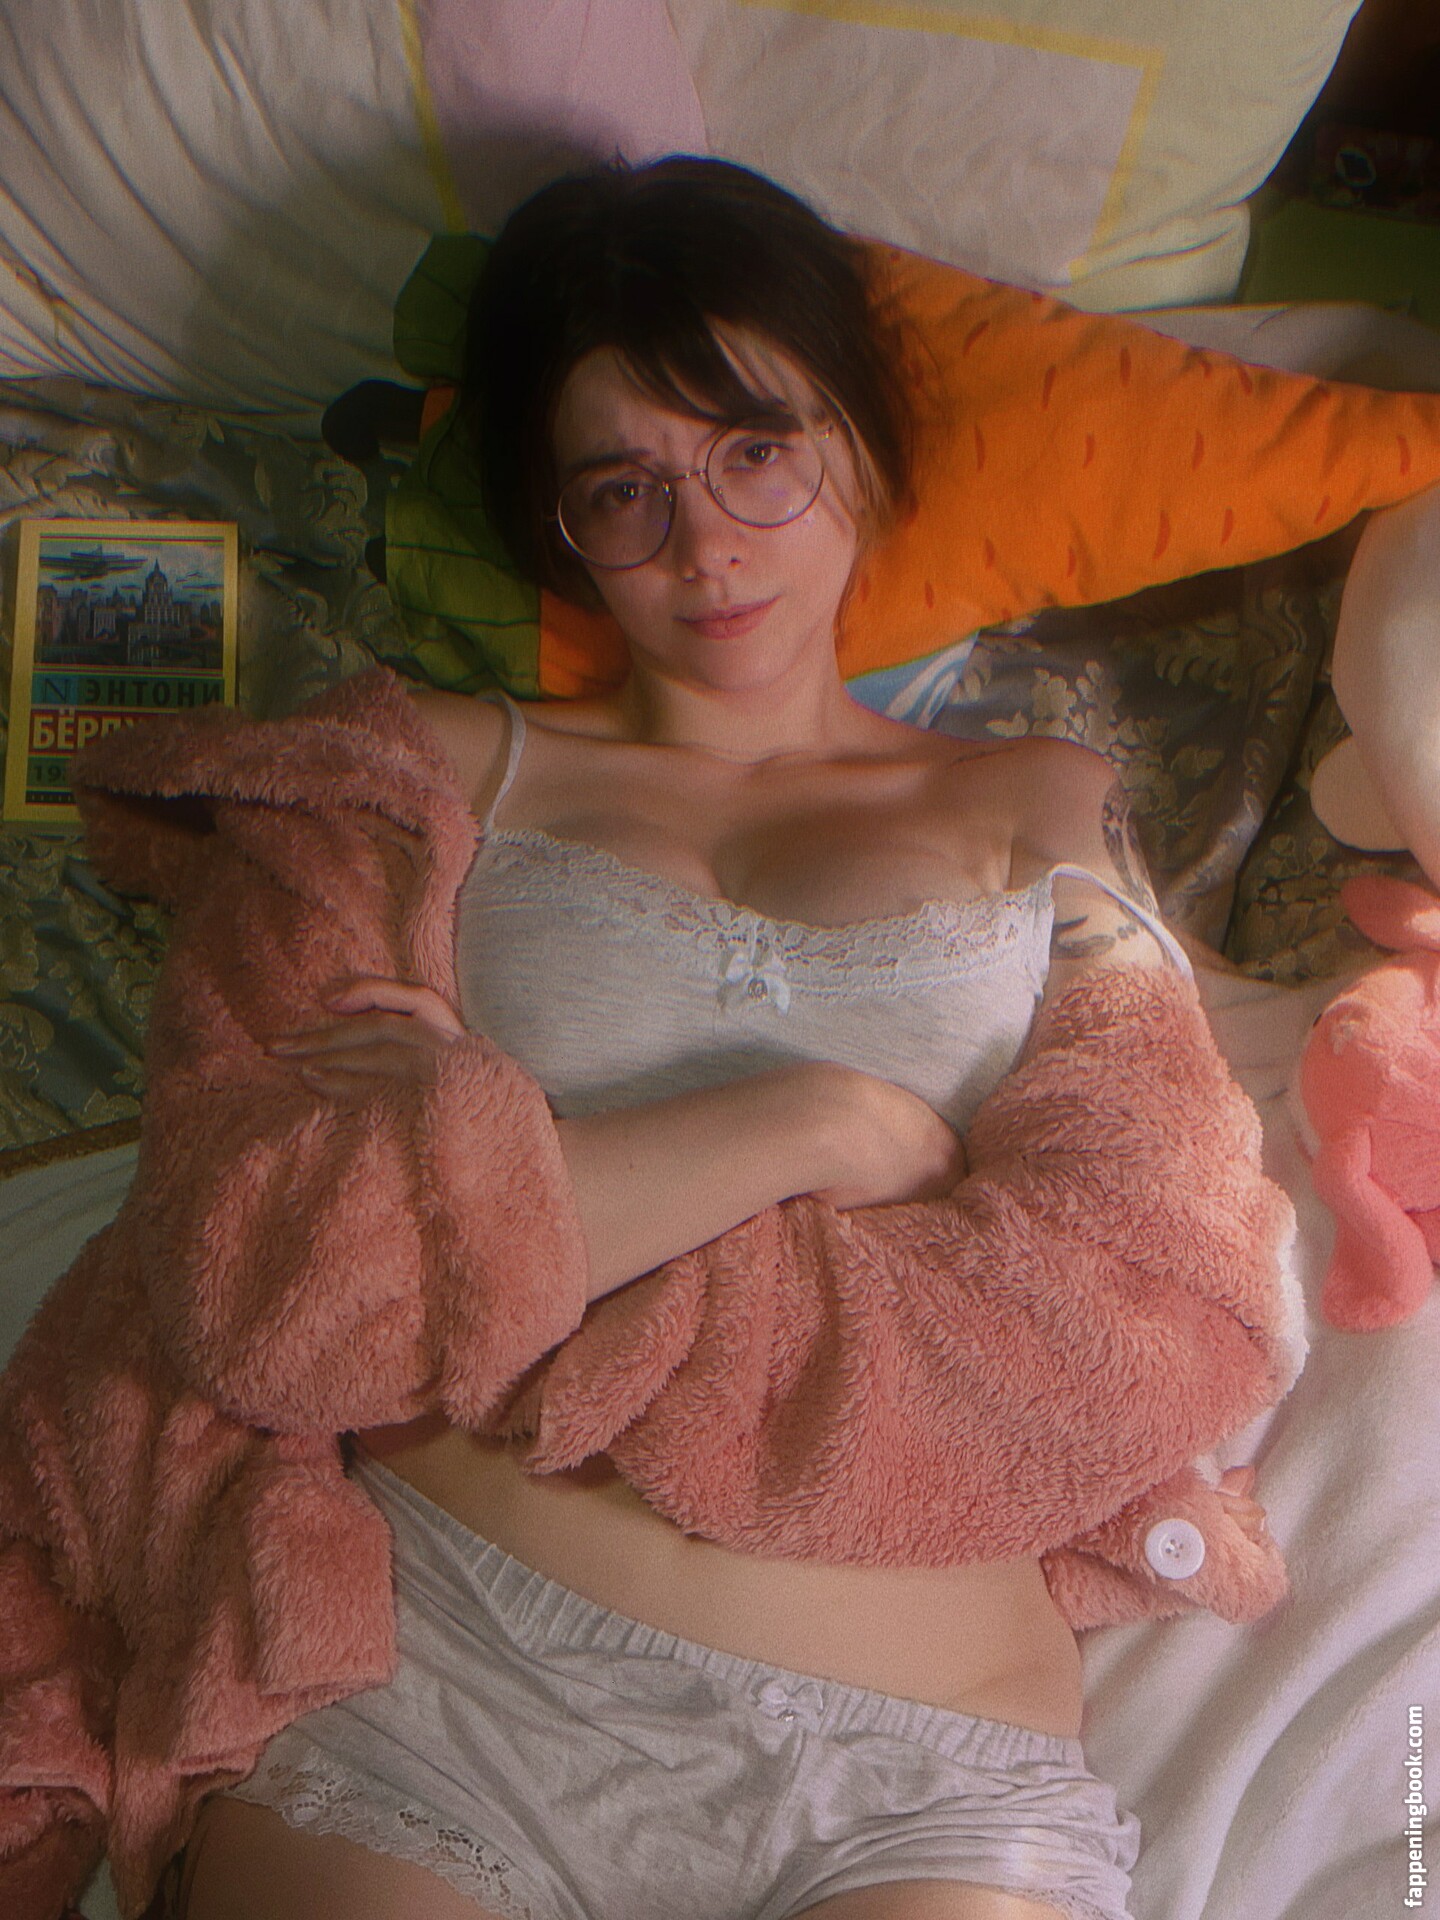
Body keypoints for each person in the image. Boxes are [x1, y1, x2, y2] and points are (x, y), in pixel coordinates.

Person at [173, 157, 1268, 1920]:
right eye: (625, 489)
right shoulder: (415, 776)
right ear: (557, 528)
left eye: (757, 449)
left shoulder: (1044, 805)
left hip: (915, 1771)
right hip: (440, 1699)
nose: (705, 544)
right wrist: (827, 1130)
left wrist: (517, 1170)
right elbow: (286, 1278)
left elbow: (1155, 1293)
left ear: (865, 446)